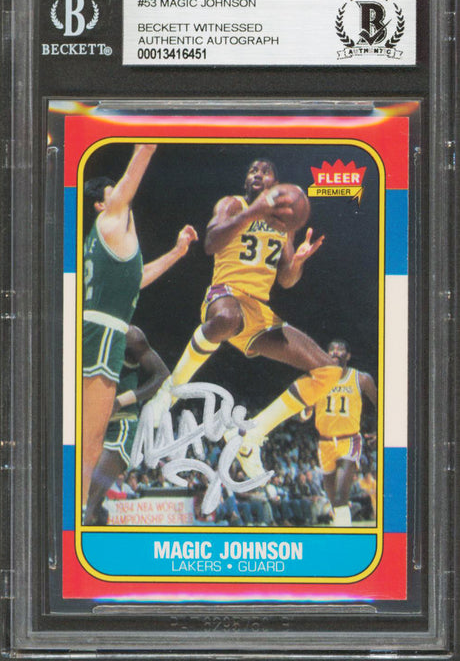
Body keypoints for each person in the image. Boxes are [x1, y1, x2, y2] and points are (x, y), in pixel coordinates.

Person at [147, 159, 342, 479]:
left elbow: (287, 280)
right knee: (227, 319)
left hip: (259, 311)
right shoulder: (232, 204)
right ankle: (170, 389)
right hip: (225, 295)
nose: (257, 174)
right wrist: (253, 212)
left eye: (265, 171)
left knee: (330, 371)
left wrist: (299, 261)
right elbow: (211, 243)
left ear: (277, 186)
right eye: (253, 170)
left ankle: (250, 436)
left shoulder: (284, 225)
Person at [82, 143, 197, 507]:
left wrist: (177, 253)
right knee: (90, 437)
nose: (120, 191)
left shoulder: (111, 240)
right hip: (101, 333)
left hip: (97, 329)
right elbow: (138, 164)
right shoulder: (110, 218)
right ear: (100, 204)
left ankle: (78, 505)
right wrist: (145, 144)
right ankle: (77, 510)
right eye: (112, 190)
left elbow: (137, 279)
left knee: (88, 433)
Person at [83, 325, 169, 525]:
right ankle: (97, 522)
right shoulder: (85, 329)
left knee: (86, 497)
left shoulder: (130, 334)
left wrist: (120, 401)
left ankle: (91, 519)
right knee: (84, 501)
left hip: (119, 425)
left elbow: (162, 375)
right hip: (89, 424)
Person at [310, 339, 377, 526]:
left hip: (349, 441)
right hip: (324, 443)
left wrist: (380, 430)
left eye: (340, 350)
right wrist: (303, 413)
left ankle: (344, 533)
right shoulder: (317, 378)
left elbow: (381, 403)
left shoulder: (361, 378)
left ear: (348, 356)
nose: (335, 352)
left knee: (340, 496)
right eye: (331, 349)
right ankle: (342, 524)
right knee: (335, 501)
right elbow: (305, 410)